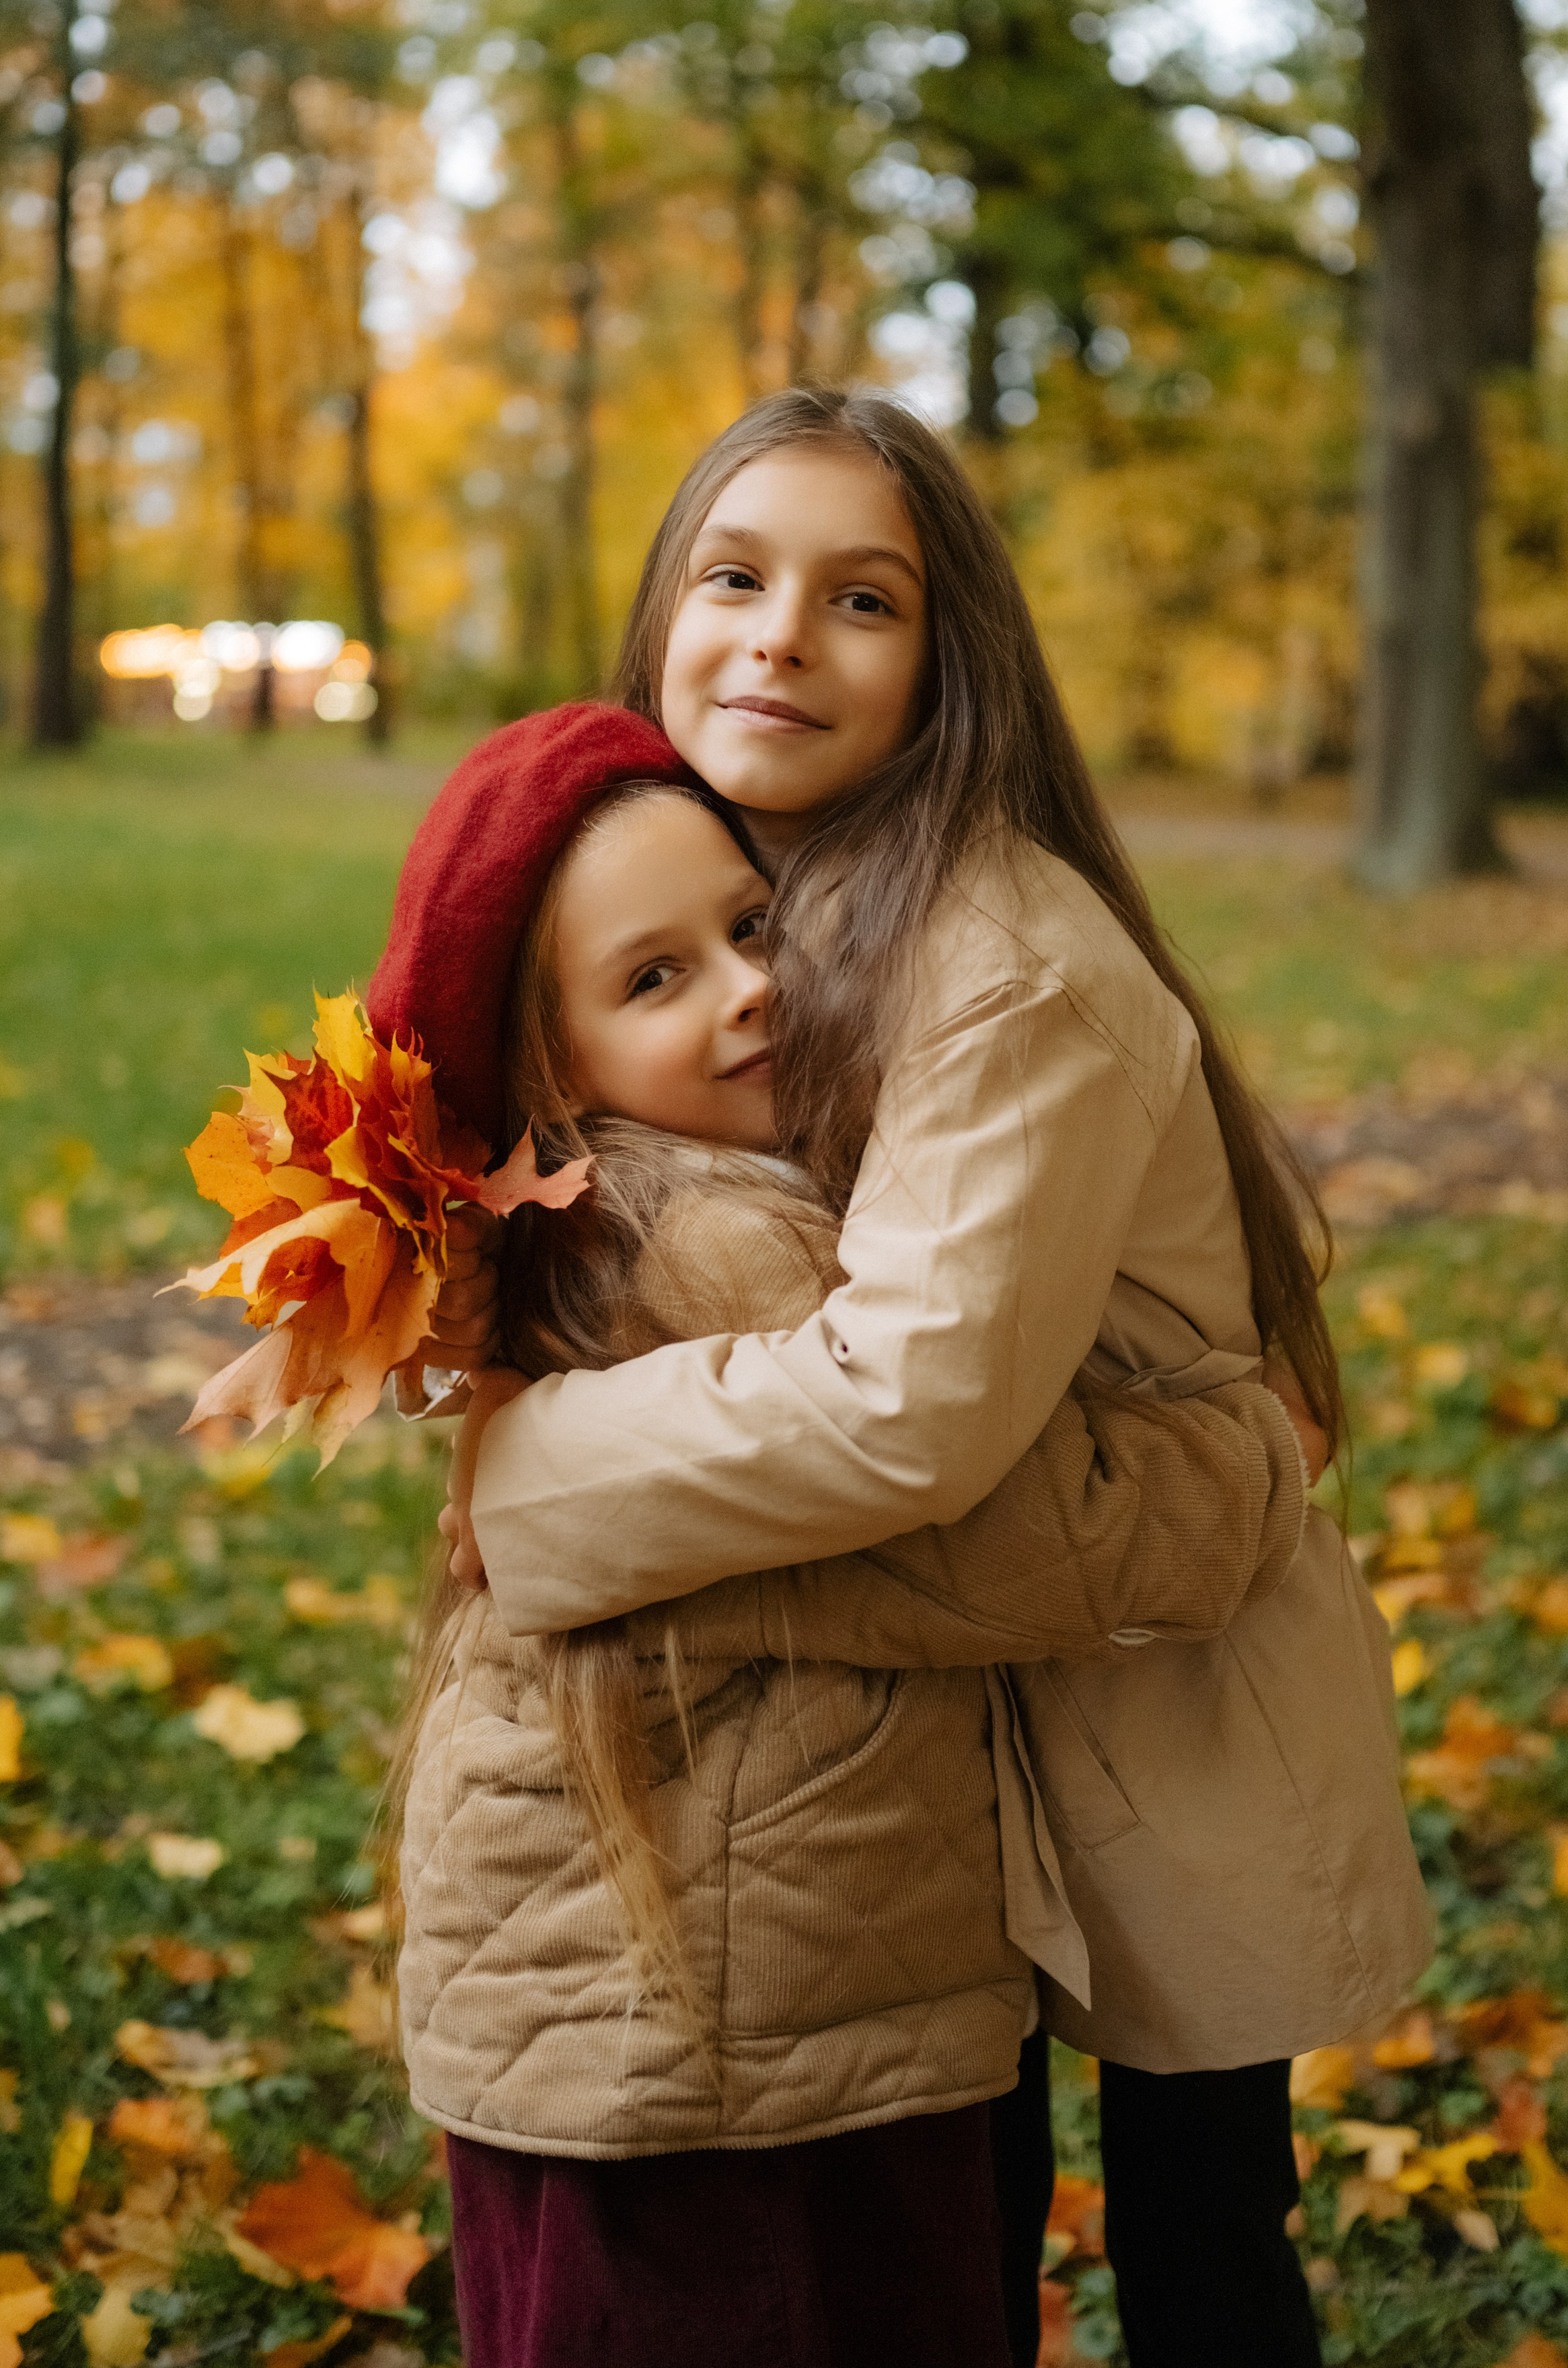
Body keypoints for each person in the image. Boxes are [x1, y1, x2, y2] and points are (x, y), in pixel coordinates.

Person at [439, 390, 1433, 2365]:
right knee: (963, 2196)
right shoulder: (728, 892)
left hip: (1153, 1670)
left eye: (861, 599)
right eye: (736, 577)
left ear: (949, 664)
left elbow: (907, 1404)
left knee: (1202, 2239)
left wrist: (535, 1483)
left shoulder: (1001, 955)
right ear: (661, 618)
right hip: (937, 1709)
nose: (782, 637)